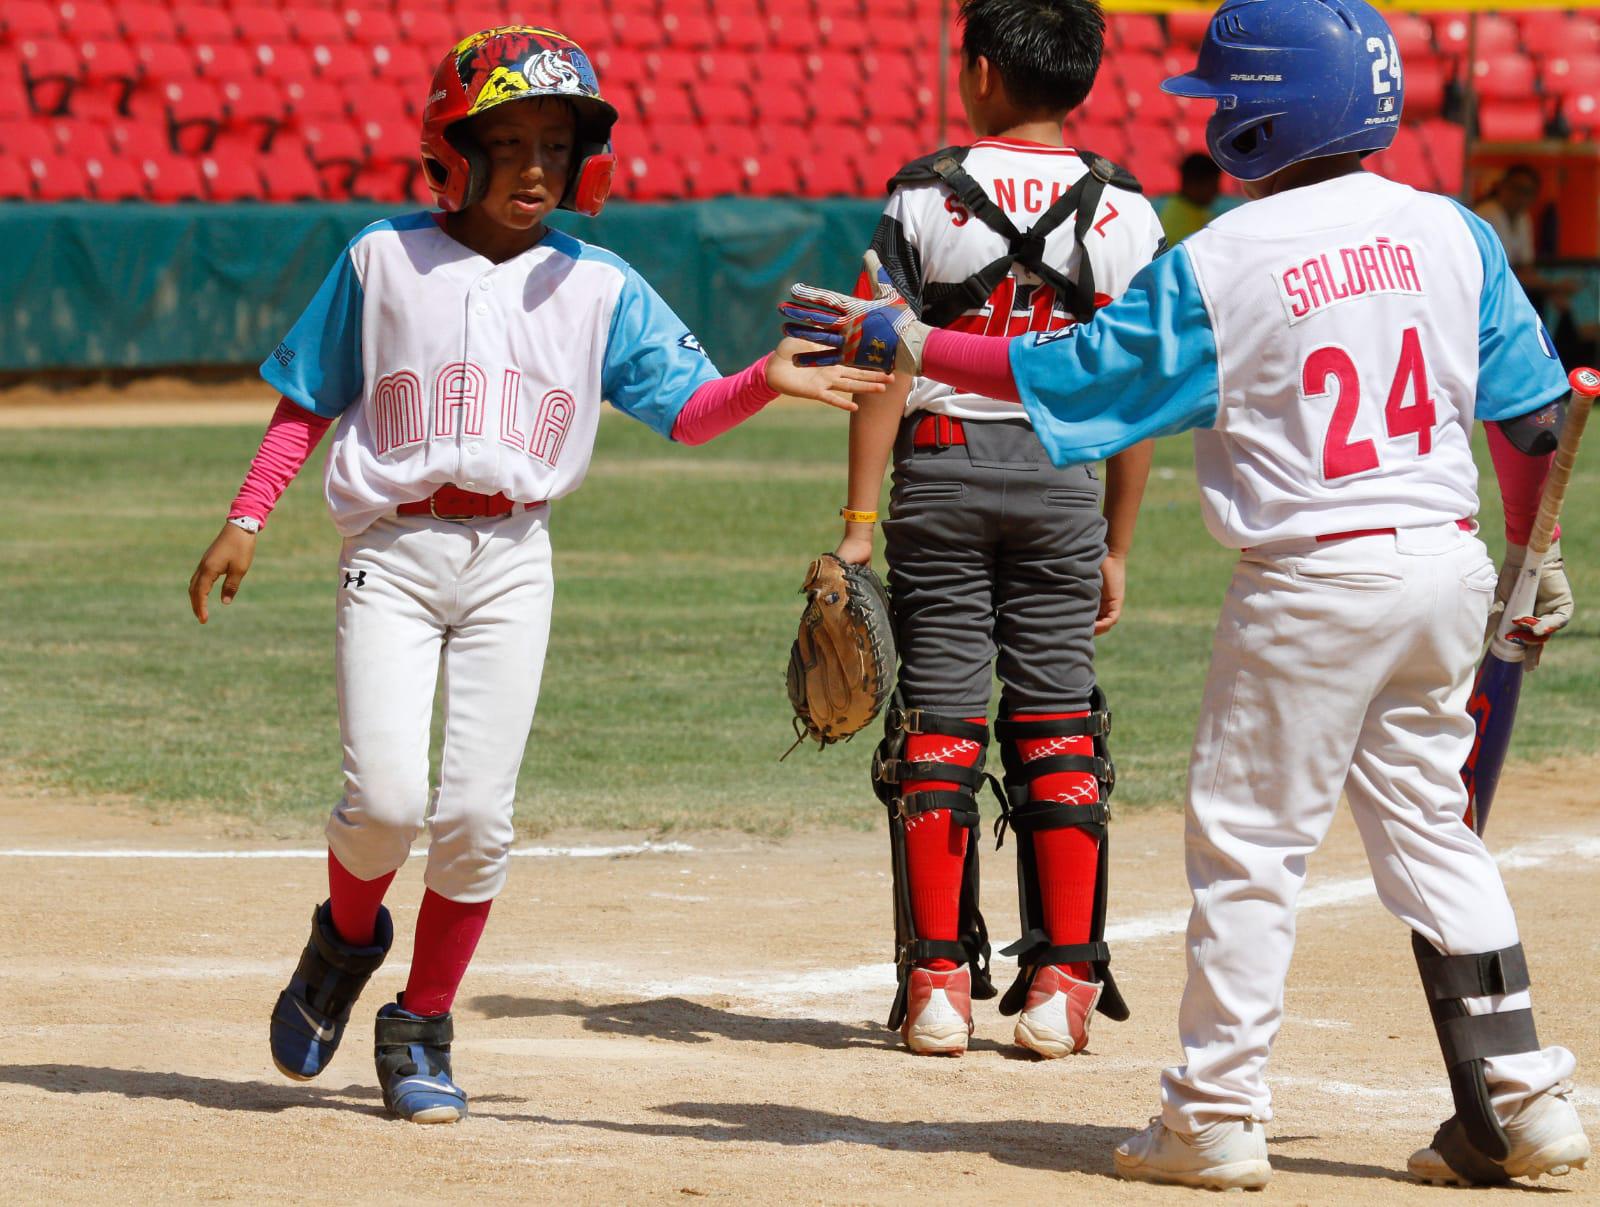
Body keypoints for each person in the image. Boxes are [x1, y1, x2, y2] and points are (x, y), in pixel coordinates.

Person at [781, 0, 1588, 1188]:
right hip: (1444, 563)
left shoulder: (1228, 255)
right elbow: (1532, 417)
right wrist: (1536, 551)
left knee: (1250, 847)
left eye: (1221, 104)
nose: (1209, 125)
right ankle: (1525, 1100)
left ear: (1266, 115)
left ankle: (1211, 1110)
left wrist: (915, 336)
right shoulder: (1451, 229)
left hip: (1312, 576)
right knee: (1432, 830)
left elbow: (1068, 376)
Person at [186, 25, 888, 1125]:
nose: (534, 169)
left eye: (556, 145)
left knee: (474, 816)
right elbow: (306, 398)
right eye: (507, 143)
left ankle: (419, 1023)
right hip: (393, 548)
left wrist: (767, 377)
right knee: (384, 802)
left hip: (514, 557)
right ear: (449, 149)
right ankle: (343, 938)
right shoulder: (382, 257)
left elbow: (688, 412)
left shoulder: (596, 283)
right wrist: (246, 516)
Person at [831, 0, 1161, 1060]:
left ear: (977, 70)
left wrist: (856, 523)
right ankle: (1063, 984)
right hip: (1064, 477)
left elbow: (883, 355)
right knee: (1059, 717)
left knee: (937, 720)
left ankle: (936, 985)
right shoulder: (1128, 212)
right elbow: (1134, 396)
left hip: (941, 472)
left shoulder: (922, 196)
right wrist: (1117, 542)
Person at [1475, 164, 1577, 312]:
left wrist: (1551, 290)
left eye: (1527, 192)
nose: (1519, 196)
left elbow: (1526, 267)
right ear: (1502, 187)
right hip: (1485, 292)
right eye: (1515, 188)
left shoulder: (1523, 218)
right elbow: (1504, 273)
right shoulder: (1488, 214)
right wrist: (1553, 287)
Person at [1156, 152, 1221, 245]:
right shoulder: (1180, 219)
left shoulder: (1190, 208)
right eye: (1213, 185)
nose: (1217, 191)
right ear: (1193, 184)